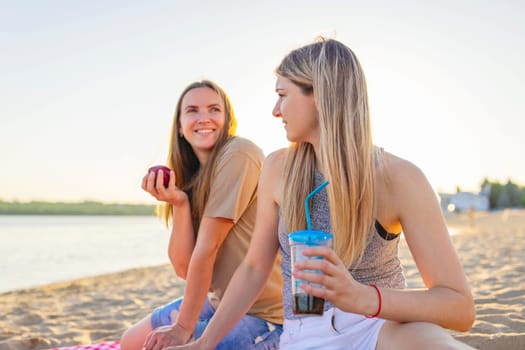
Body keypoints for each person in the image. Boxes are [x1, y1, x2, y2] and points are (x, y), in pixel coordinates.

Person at [169, 39, 476, 349]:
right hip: (303, 334)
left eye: (282, 95)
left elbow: (459, 308)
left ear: (319, 95)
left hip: (379, 327)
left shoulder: (398, 177)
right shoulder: (278, 168)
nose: (276, 111)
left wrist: (361, 297)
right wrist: (205, 343)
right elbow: (254, 268)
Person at [119, 80, 283, 350]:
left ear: (227, 120)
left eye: (214, 109)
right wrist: (180, 204)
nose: (204, 118)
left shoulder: (239, 154)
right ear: (180, 127)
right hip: (221, 301)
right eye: (192, 110)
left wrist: (182, 328)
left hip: (267, 313)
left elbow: (209, 247)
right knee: (132, 342)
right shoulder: (193, 178)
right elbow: (184, 267)